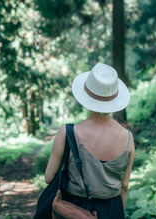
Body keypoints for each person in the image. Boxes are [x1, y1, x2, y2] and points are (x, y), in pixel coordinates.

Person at [44, 63, 135, 219]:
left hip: (73, 210)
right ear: (115, 98)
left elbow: (49, 177)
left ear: (86, 96)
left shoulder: (67, 133)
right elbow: (124, 186)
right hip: (112, 209)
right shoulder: (127, 137)